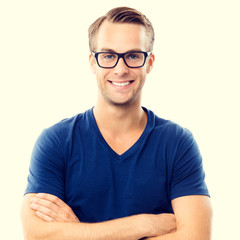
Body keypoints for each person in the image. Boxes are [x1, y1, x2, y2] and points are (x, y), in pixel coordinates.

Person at [21, 6, 212, 240]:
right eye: (109, 56)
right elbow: (37, 235)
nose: (120, 69)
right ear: (93, 62)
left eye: (133, 56)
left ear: (149, 63)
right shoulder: (57, 141)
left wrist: (79, 231)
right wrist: (143, 224)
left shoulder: (177, 143)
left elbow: (197, 236)